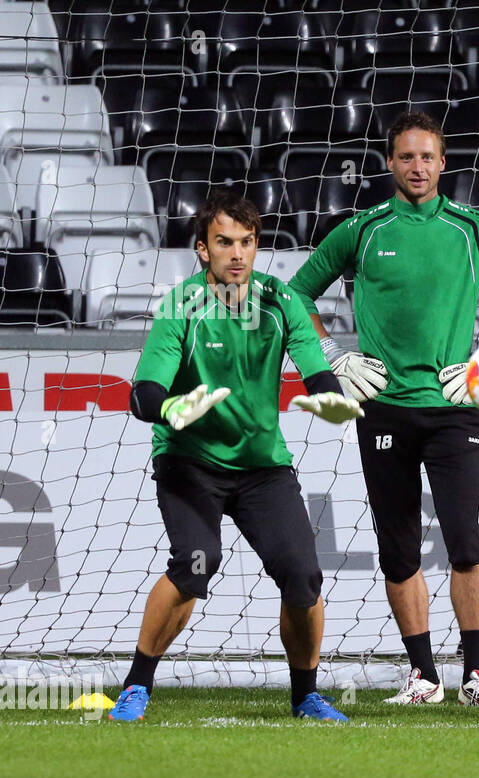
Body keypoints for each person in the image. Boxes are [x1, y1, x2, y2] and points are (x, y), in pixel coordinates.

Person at [289, 111, 479, 708]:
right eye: (406, 157)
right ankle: (423, 676)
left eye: (427, 157)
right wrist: (330, 352)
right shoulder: (361, 230)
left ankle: (478, 675)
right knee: (399, 547)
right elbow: (293, 294)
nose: (417, 167)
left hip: (454, 409)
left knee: (466, 541)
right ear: (390, 163)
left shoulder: (473, 229)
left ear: (443, 162)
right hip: (382, 409)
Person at [109, 191, 363, 722]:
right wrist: (174, 407)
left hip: (262, 466)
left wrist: (329, 398)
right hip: (190, 461)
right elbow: (141, 395)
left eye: (247, 242)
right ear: (203, 250)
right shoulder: (182, 305)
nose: (237, 253)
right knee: (196, 564)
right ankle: (137, 685)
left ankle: (305, 696)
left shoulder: (281, 301)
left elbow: (315, 370)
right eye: (224, 242)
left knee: (303, 576)